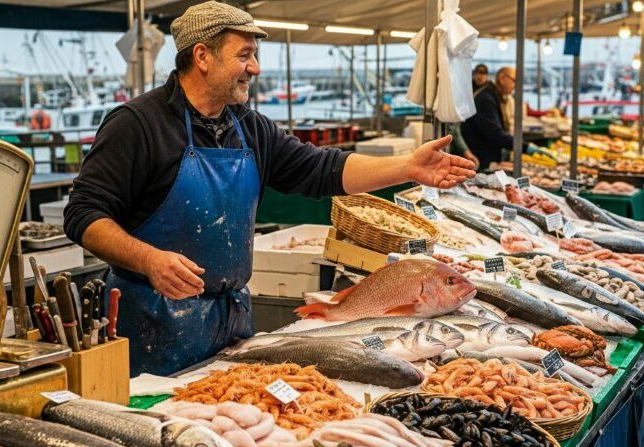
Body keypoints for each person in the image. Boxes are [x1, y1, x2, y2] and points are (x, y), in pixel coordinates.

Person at [63, 1, 476, 377]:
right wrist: (149, 259)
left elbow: (319, 169)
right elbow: (83, 214)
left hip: (231, 319)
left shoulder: (248, 125)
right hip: (150, 324)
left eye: (254, 56)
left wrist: (406, 167)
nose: (255, 68)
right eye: (244, 55)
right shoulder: (136, 125)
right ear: (202, 56)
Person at [461, 65, 541, 170]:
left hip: (486, 156)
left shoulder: (494, 95)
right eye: (514, 81)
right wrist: (525, 147)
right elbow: (495, 134)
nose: (515, 86)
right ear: (503, 79)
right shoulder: (486, 99)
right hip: (479, 160)